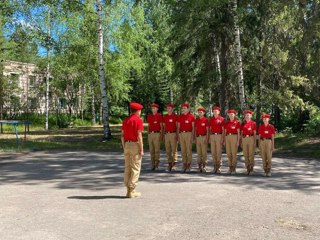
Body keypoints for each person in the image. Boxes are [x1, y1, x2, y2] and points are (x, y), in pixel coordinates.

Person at [121, 102, 144, 198]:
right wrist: (141, 149)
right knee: (135, 168)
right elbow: (139, 136)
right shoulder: (138, 120)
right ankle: (132, 190)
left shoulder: (125, 120)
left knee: (128, 168)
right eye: (140, 111)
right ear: (138, 111)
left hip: (127, 144)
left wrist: (124, 146)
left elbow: (122, 136)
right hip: (135, 145)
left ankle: (128, 190)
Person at [177, 103, 195, 172]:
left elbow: (193, 127)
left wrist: (192, 136)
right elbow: (178, 127)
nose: (183, 109)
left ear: (188, 109)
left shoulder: (191, 116)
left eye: (185, 108)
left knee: (188, 150)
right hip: (181, 134)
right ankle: (184, 164)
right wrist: (178, 136)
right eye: (183, 108)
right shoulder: (180, 117)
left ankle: (189, 164)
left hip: (189, 134)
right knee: (183, 150)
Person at [223, 109, 241, 174]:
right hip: (227, 137)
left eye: (232, 114)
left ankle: (234, 168)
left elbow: (239, 132)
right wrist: (224, 140)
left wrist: (238, 141)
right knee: (228, 153)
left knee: (233, 154)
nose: (230, 115)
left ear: (234, 115)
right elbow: (225, 132)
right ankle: (230, 168)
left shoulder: (237, 122)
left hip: (234, 137)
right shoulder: (226, 122)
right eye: (229, 114)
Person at [147, 103, 163, 170]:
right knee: (151, 150)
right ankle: (152, 164)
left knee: (156, 149)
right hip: (151, 134)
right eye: (152, 108)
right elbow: (148, 125)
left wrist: (161, 135)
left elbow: (161, 126)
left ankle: (157, 163)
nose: (153, 109)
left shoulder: (159, 116)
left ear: (157, 109)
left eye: (154, 108)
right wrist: (148, 133)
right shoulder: (149, 116)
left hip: (157, 134)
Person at [240, 110, 257, 175]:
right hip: (244, 139)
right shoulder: (243, 123)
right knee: (245, 154)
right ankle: (247, 169)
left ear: (251, 116)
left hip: (251, 138)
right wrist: (241, 141)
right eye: (246, 115)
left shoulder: (253, 123)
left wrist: (255, 141)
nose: (247, 116)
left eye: (248, 115)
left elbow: (255, 133)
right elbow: (241, 133)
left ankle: (251, 169)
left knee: (251, 154)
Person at [163, 103, 178, 171]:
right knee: (168, 150)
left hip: (173, 134)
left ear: (172, 109)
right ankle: (169, 164)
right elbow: (164, 126)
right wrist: (163, 135)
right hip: (166, 134)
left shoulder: (175, 116)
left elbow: (177, 127)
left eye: (169, 108)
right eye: (167, 108)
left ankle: (174, 165)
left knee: (174, 150)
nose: (168, 109)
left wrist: (177, 135)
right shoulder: (165, 116)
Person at [209, 106, 225, 174]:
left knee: (218, 152)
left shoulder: (221, 119)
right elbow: (209, 129)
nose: (215, 112)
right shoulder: (211, 119)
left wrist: (222, 138)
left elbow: (223, 130)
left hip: (219, 135)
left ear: (219, 112)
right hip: (212, 136)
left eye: (216, 111)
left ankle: (219, 167)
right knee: (213, 152)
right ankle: (214, 167)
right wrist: (209, 137)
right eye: (214, 111)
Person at [194, 107, 209, 172]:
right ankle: (199, 167)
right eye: (199, 112)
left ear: (204, 113)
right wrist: (195, 138)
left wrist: (207, 138)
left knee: (204, 153)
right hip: (198, 137)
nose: (200, 113)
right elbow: (195, 130)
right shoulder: (196, 120)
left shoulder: (206, 120)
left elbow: (208, 131)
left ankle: (204, 166)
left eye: (201, 112)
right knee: (199, 153)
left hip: (203, 137)